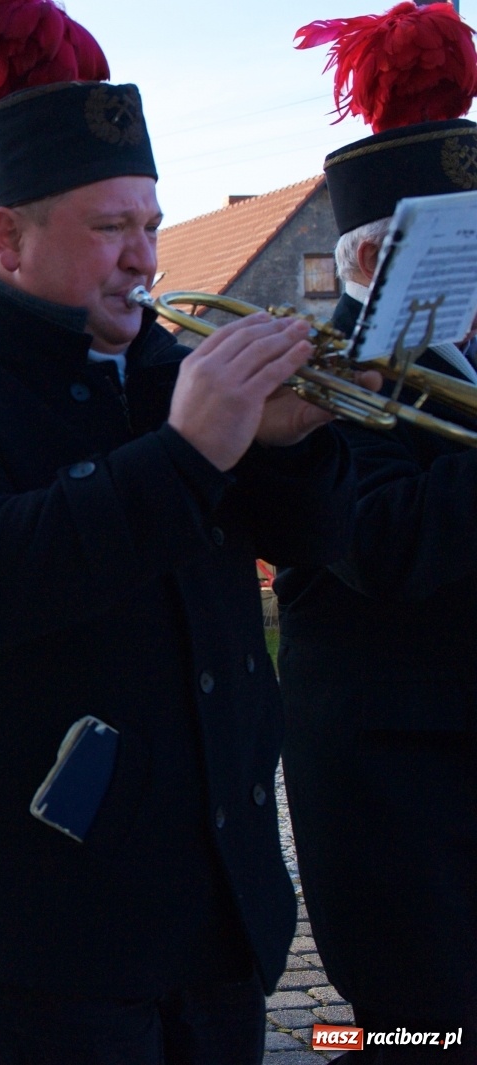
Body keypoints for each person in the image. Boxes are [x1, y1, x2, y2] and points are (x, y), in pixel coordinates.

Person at [0, 4, 358, 1061]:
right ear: (8, 238)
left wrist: (293, 445)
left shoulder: (177, 369)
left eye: (151, 225)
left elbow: (316, 541)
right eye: (110, 229)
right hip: (53, 911)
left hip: (220, 896)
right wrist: (187, 452)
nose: (144, 258)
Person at [278, 5, 477, 1056]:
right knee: (415, 1035)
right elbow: (386, 545)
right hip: (395, 797)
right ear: (374, 258)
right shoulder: (323, 379)